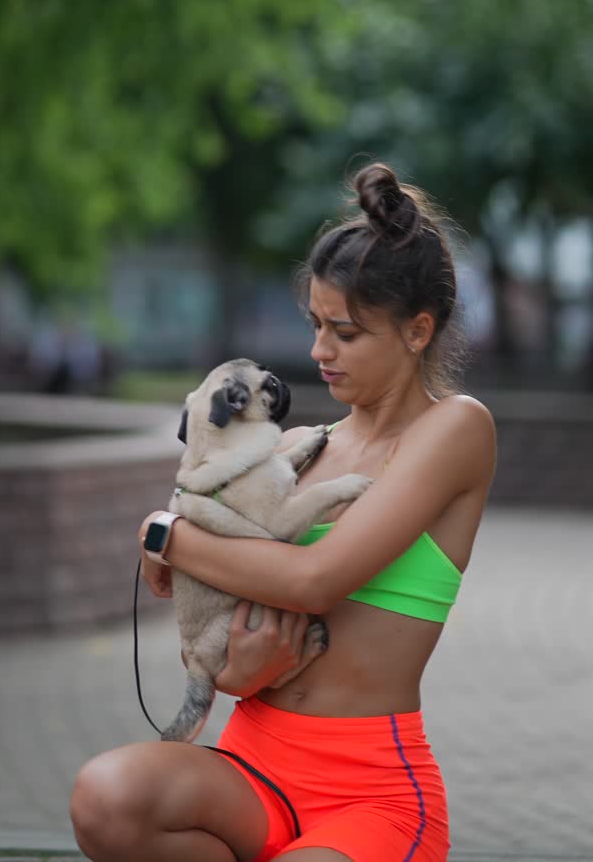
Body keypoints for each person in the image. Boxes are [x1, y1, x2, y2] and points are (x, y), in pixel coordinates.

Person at [70, 162, 496, 862]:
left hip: (371, 792)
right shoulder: (300, 447)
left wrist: (163, 533)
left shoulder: (455, 431)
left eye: (346, 333)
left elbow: (313, 581)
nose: (317, 352)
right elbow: (205, 617)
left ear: (418, 331)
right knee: (105, 798)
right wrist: (237, 666)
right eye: (316, 325)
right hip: (252, 765)